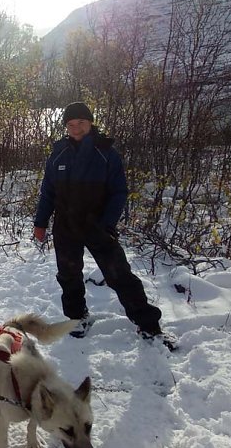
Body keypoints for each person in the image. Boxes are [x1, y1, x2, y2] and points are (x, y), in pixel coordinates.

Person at [33, 102, 177, 351]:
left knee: (119, 275)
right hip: (65, 226)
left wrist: (108, 223)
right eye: (71, 124)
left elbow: (119, 192)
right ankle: (77, 318)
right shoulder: (58, 154)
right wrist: (41, 222)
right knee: (68, 275)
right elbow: (48, 192)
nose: (76, 128)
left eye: (81, 123)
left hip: (97, 225)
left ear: (90, 123)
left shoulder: (106, 153)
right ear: (66, 127)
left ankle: (148, 325)